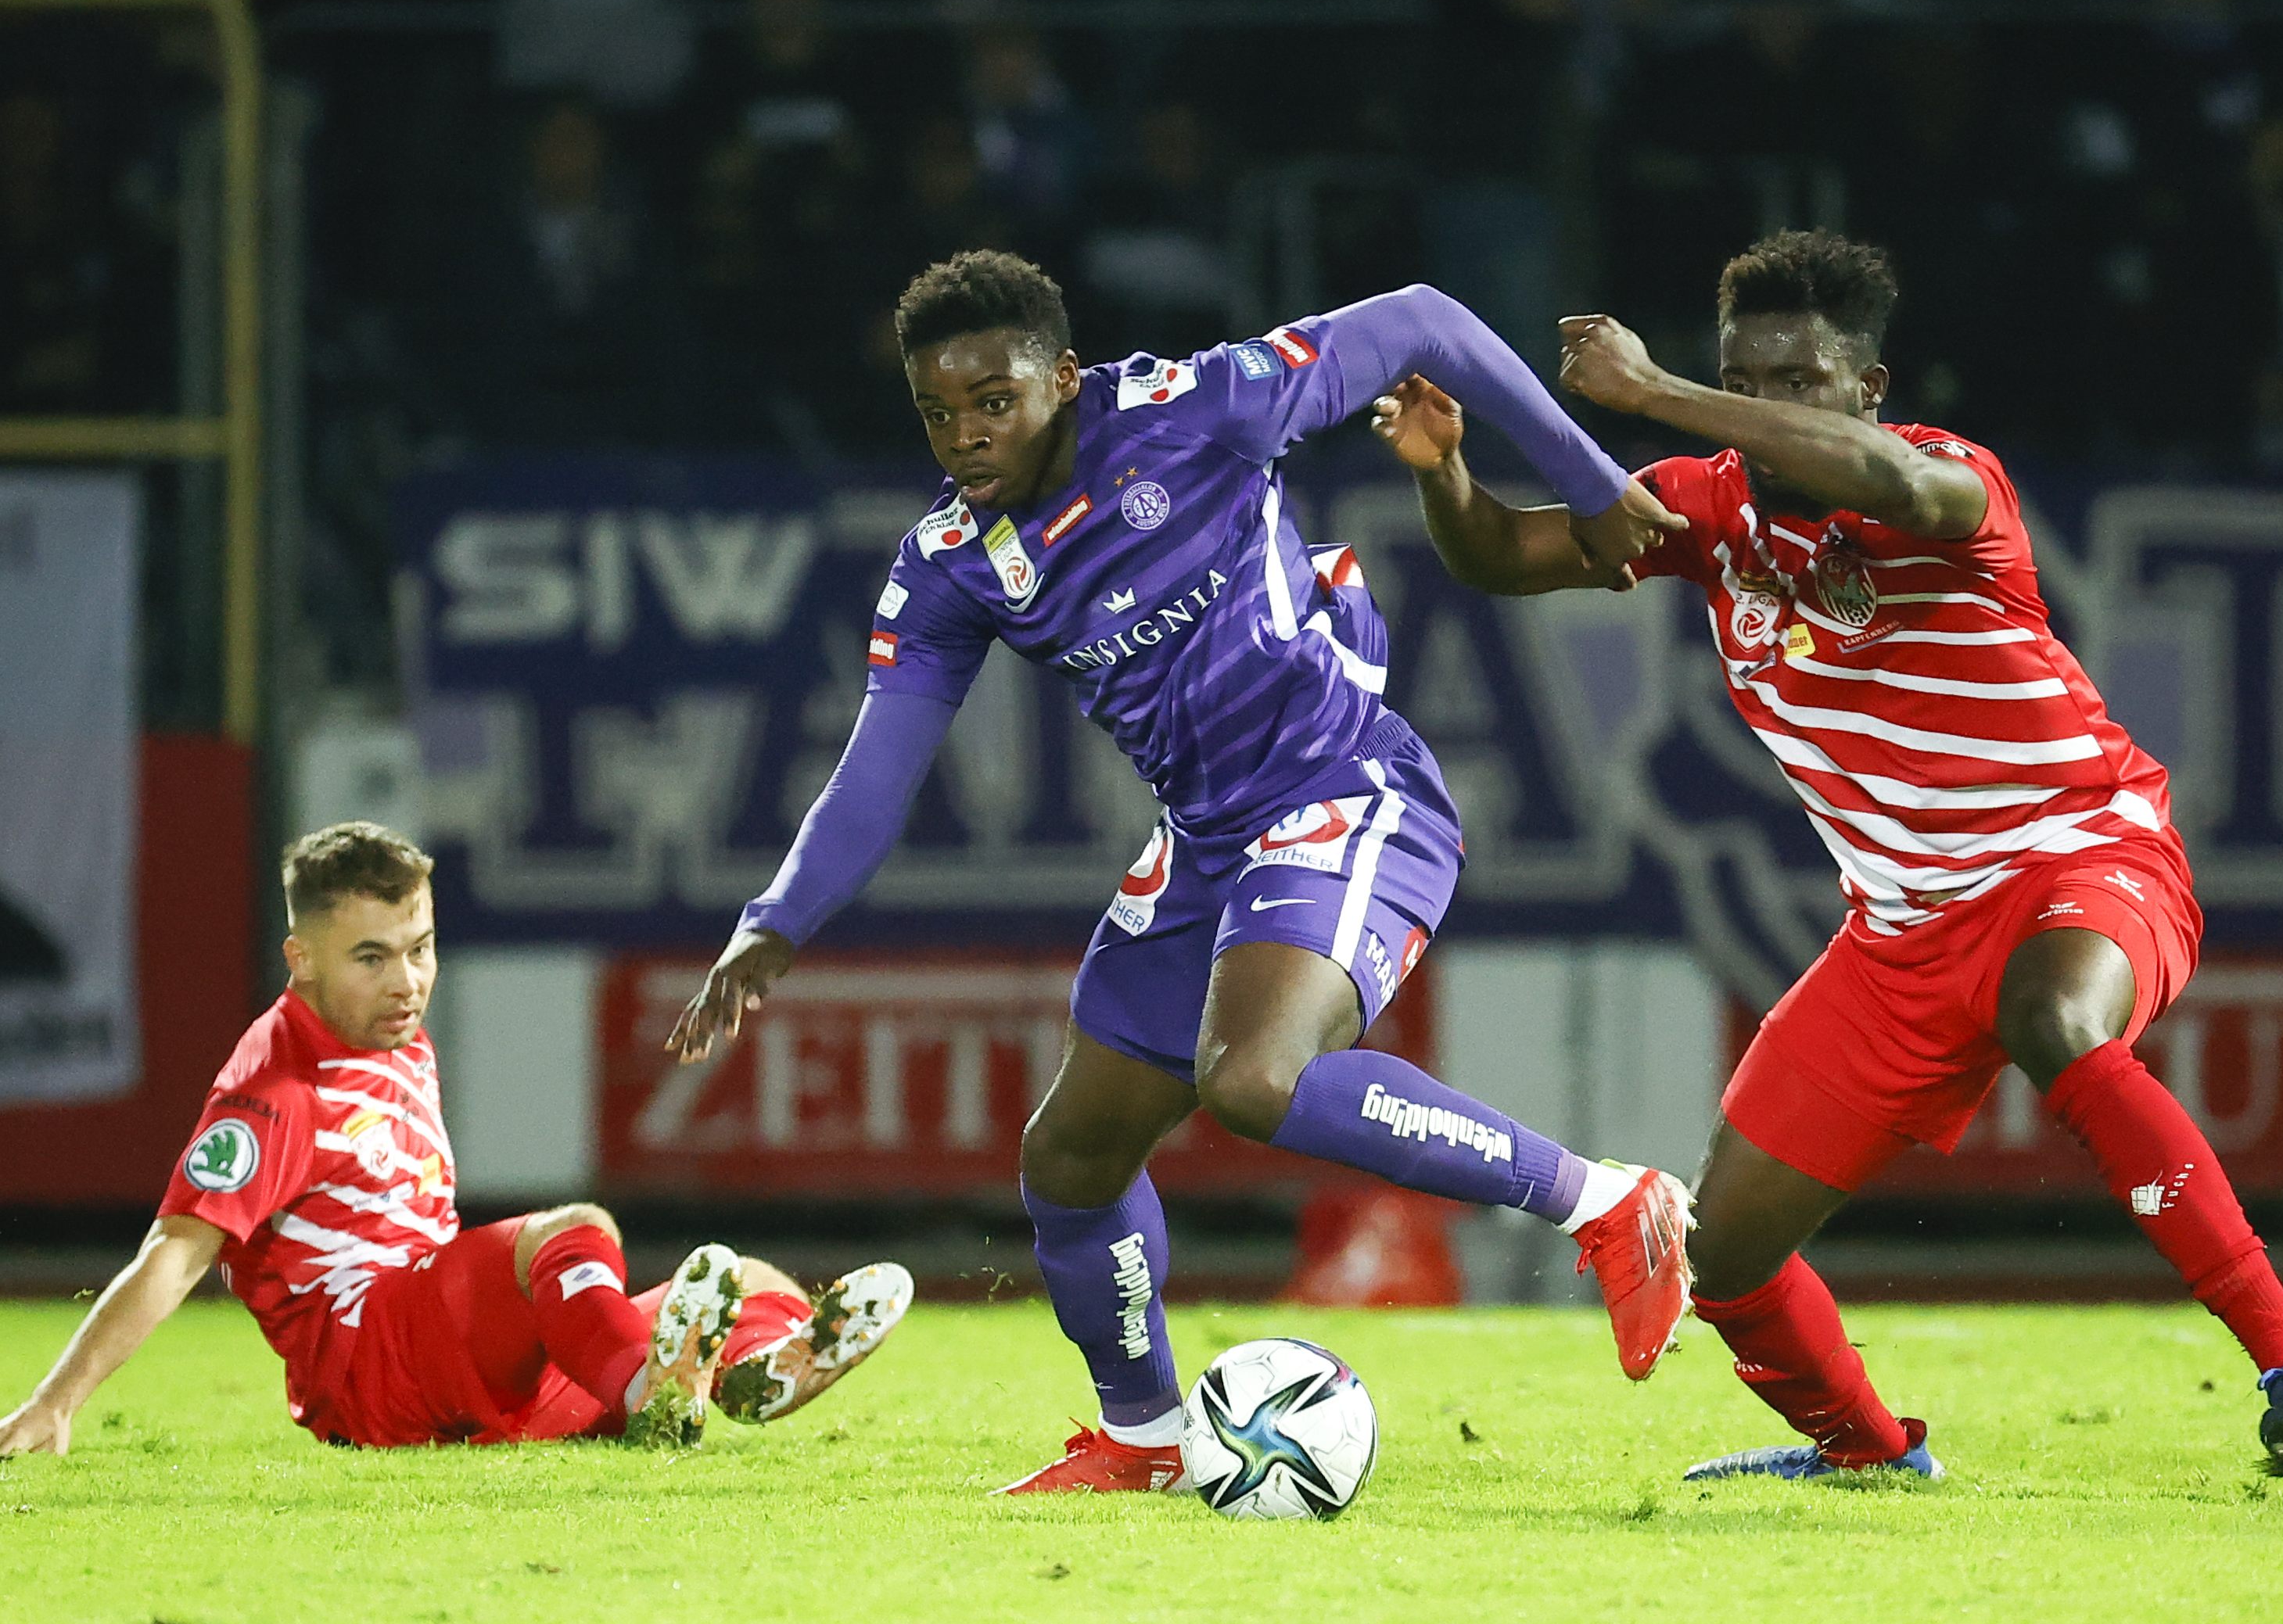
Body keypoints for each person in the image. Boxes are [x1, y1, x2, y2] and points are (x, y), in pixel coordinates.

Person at [667, 249, 1698, 1493]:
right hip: (1208, 836)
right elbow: (877, 768)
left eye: (995, 401)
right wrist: (774, 922)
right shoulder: (949, 561)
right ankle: (1147, 1437)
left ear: (1062, 375)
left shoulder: (1193, 407)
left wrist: (1594, 484)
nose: (967, 436)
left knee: (1256, 1078)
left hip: (1344, 787)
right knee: (1071, 1160)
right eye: (938, 413)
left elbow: (1426, 321)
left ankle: (1607, 1200)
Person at [1373, 228, 2283, 1486]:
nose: (1769, 406)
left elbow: (1879, 482)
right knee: (1723, 1250)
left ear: (1870, 390)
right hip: (1899, 934)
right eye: (1751, 378)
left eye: (1800, 380)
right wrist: (1446, 470)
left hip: (2079, 856)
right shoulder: (1708, 505)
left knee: (2057, 1020)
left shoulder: (1955, 483)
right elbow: (1501, 560)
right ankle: (1866, 1455)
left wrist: (1653, 393)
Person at [0, 823, 910, 1457]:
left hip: (451, 1369)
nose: (408, 981)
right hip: (369, 1362)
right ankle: (654, 1395)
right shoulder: (275, 1093)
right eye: (372, 957)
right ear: (301, 958)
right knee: (569, 1232)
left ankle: (741, 1375)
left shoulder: (395, 1035)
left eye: (421, 948)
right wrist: (55, 1401)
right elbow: (174, 1253)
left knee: (755, 1280)